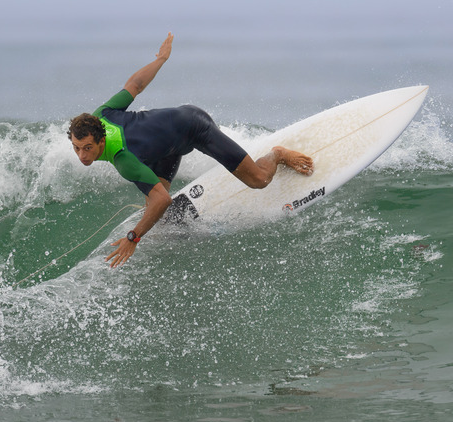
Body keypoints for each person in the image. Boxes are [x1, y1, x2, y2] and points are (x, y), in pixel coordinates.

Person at [68, 32, 314, 268]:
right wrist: (161, 59)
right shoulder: (100, 115)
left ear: (101, 141)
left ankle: (277, 154)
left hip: (195, 127)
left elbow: (161, 199)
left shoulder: (123, 159)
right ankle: (185, 229)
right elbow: (135, 84)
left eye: (88, 148)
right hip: (166, 147)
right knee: (160, 217)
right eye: (77, 148)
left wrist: (133, 238)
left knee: (259, 180)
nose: (82, 156)